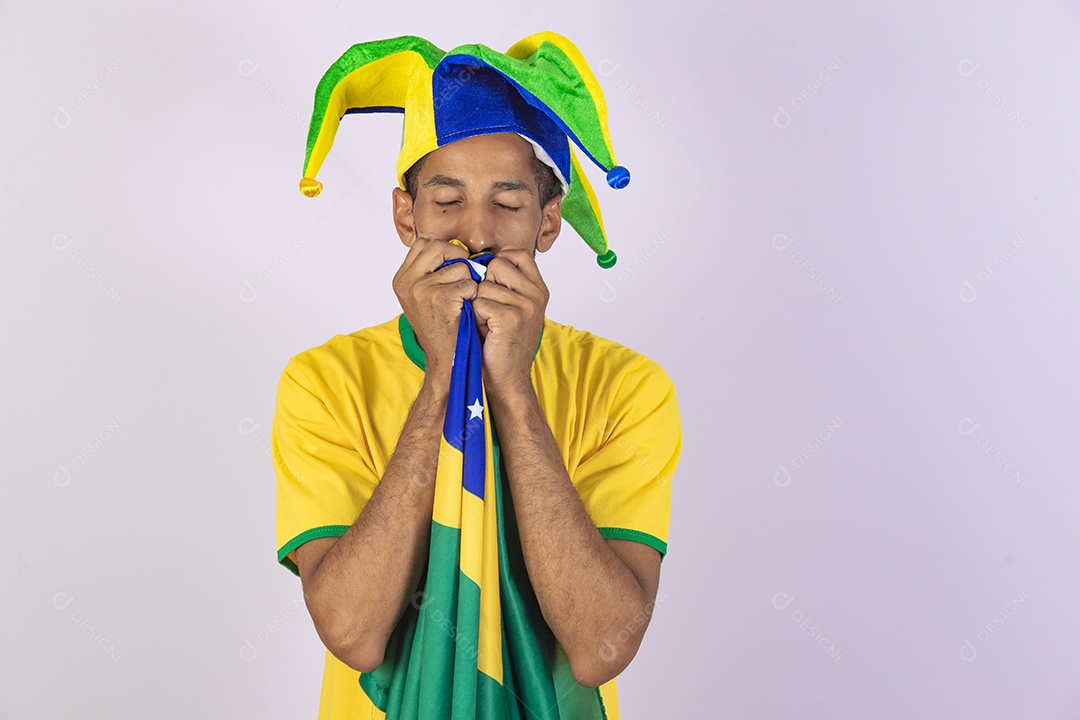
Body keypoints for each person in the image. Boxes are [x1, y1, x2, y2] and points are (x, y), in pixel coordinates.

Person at [273, 33, 682, 719]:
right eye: (447, 200)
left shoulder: (628, 386)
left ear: (549, 223)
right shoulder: (323, 380)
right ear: (407, 215)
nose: (478, 233)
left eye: (509, 203)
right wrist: (441, 382)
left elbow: (599, 648)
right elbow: (353, 634)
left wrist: (513, 392)